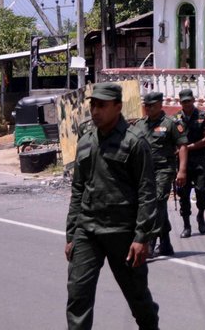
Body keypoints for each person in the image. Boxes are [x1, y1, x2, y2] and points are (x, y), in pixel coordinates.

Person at [65, 82, 159, 330]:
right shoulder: (85, 141)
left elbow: (147, 192)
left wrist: (142, 237)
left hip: (124, 234)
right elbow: (78, 189)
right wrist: (71, 233)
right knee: (78, 295)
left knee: (138, 298)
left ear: (118, 107)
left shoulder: (135, 142)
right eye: (93, 105)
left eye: (102, 106)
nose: (95, 111)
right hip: (88, 231)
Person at [135, 91, 188, 258]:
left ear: (160, 105)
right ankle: (165, 242)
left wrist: (182, 170)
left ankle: (150, 241)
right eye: (146, 105)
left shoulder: (171, 123)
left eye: (151, 105)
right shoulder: (140, 124)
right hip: (144, 171)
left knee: (157, 202)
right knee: (155, 205)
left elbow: (183, 146)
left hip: (164, 169)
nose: (148, 108)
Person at [175, 89, 205, 238]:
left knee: (202, 190)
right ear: (180, 103)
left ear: (193, 100)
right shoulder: (175, 119)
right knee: (183, 193)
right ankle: (186, 225)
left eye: (189, 101)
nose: (187, 104)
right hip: (182, 162)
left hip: (199, 159)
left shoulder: (204, 117)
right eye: (184, 102)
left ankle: (201, 214)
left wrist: (188, 147)